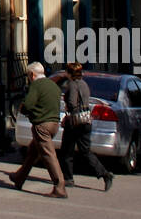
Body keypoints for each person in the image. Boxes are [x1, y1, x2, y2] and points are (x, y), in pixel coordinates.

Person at [10, 61, 67, 198]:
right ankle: (19, 177)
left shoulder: (36, 85)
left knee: (49, 155)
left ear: (32, 74)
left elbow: (28, 104)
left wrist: (24, 109)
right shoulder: (53, 85)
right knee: (32, 152)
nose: (29, 78)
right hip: (54, 123)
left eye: (29, 75)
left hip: (42, 124)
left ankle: (60, 187)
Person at [60, 62, 113, 192]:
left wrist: (67, 111)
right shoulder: (84, 84)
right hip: (85, 120)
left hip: (74, 122)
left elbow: (72, 103)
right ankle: (104, 174)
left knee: (66, 151)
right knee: (85, 151)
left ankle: (68, 178)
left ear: (69, 73)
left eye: (67, 71)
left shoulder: (72, 85)